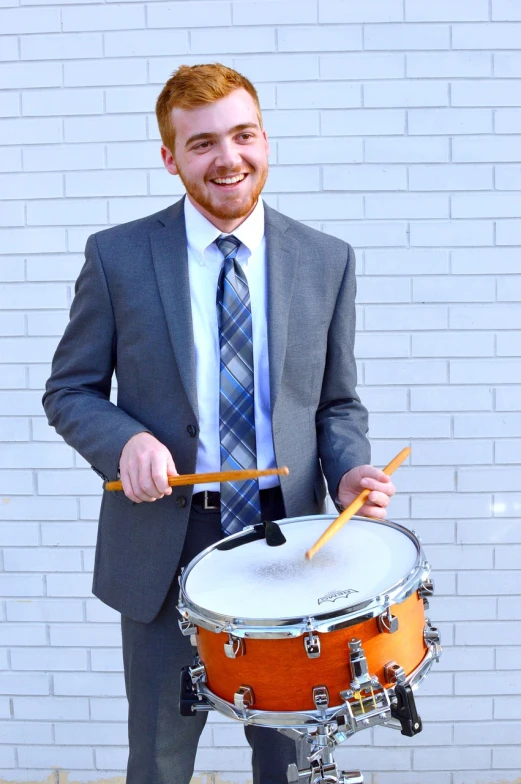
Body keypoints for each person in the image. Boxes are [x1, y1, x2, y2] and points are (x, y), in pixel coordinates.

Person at [43, 63, 396, 784]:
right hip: (165, 550)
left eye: (242, 135)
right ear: (170, 158)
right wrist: (125, 442)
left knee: (292, 761)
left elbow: (334, 402)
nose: (227, 158)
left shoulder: (325, 260)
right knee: (161, 760)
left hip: (290, 550)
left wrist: (350, 468)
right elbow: (70, 389)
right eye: (201, 143)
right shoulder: (116, 257)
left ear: (265, 139)